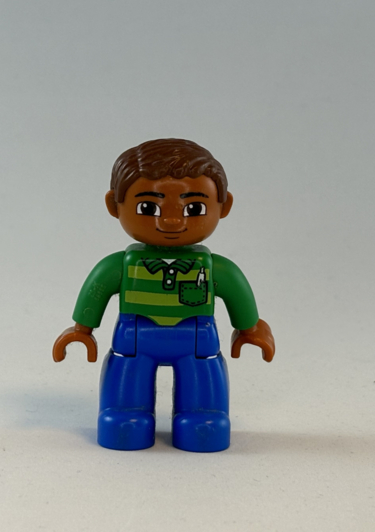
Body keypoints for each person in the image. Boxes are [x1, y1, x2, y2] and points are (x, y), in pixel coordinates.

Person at [53, 138, 275, 452]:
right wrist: (81, 329)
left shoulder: (215, 268)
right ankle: (124, 414)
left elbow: (236, 291)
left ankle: (204, 416)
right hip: (134, 339)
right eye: (149, 207)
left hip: (197, 340)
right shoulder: (121, 265)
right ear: (114, 205)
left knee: (203, 386)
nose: (171, 219)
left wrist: (250, 328)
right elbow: (97, 290)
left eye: (194, 208)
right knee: (127, 382)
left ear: (223, 206)